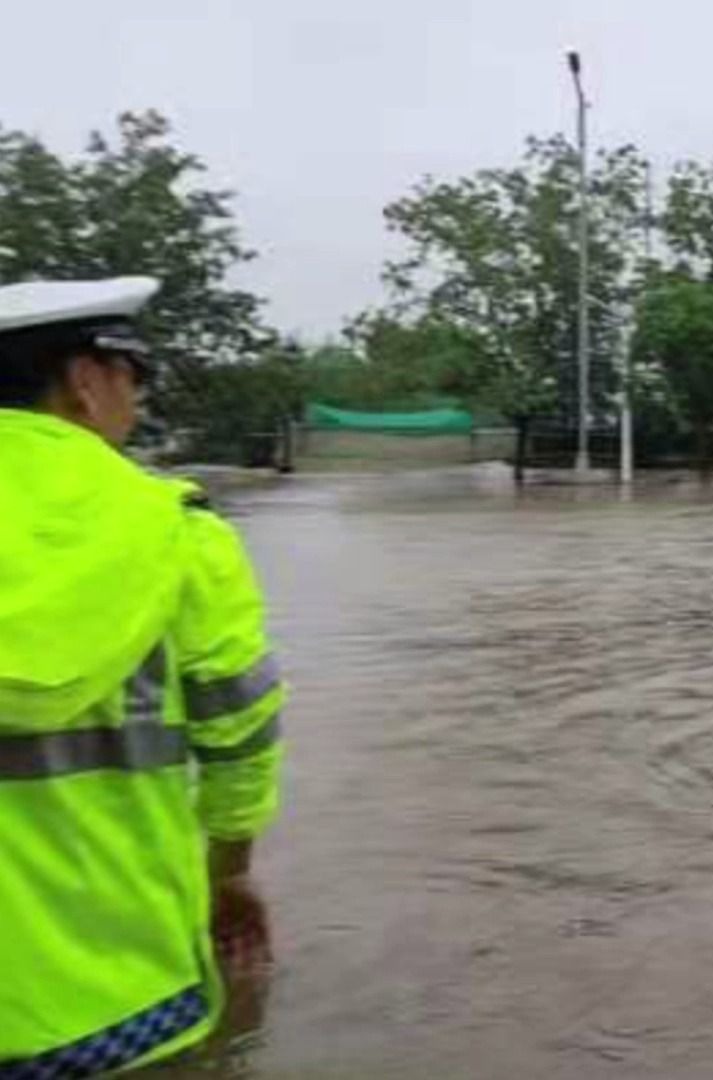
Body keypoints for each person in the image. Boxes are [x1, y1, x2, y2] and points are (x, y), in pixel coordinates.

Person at [0, 278, 287, 1075]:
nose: (136, 402)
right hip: (118, 999)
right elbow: (242, 739)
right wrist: (228, 874)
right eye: (134, 375)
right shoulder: (177, 533)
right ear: (86, 382)